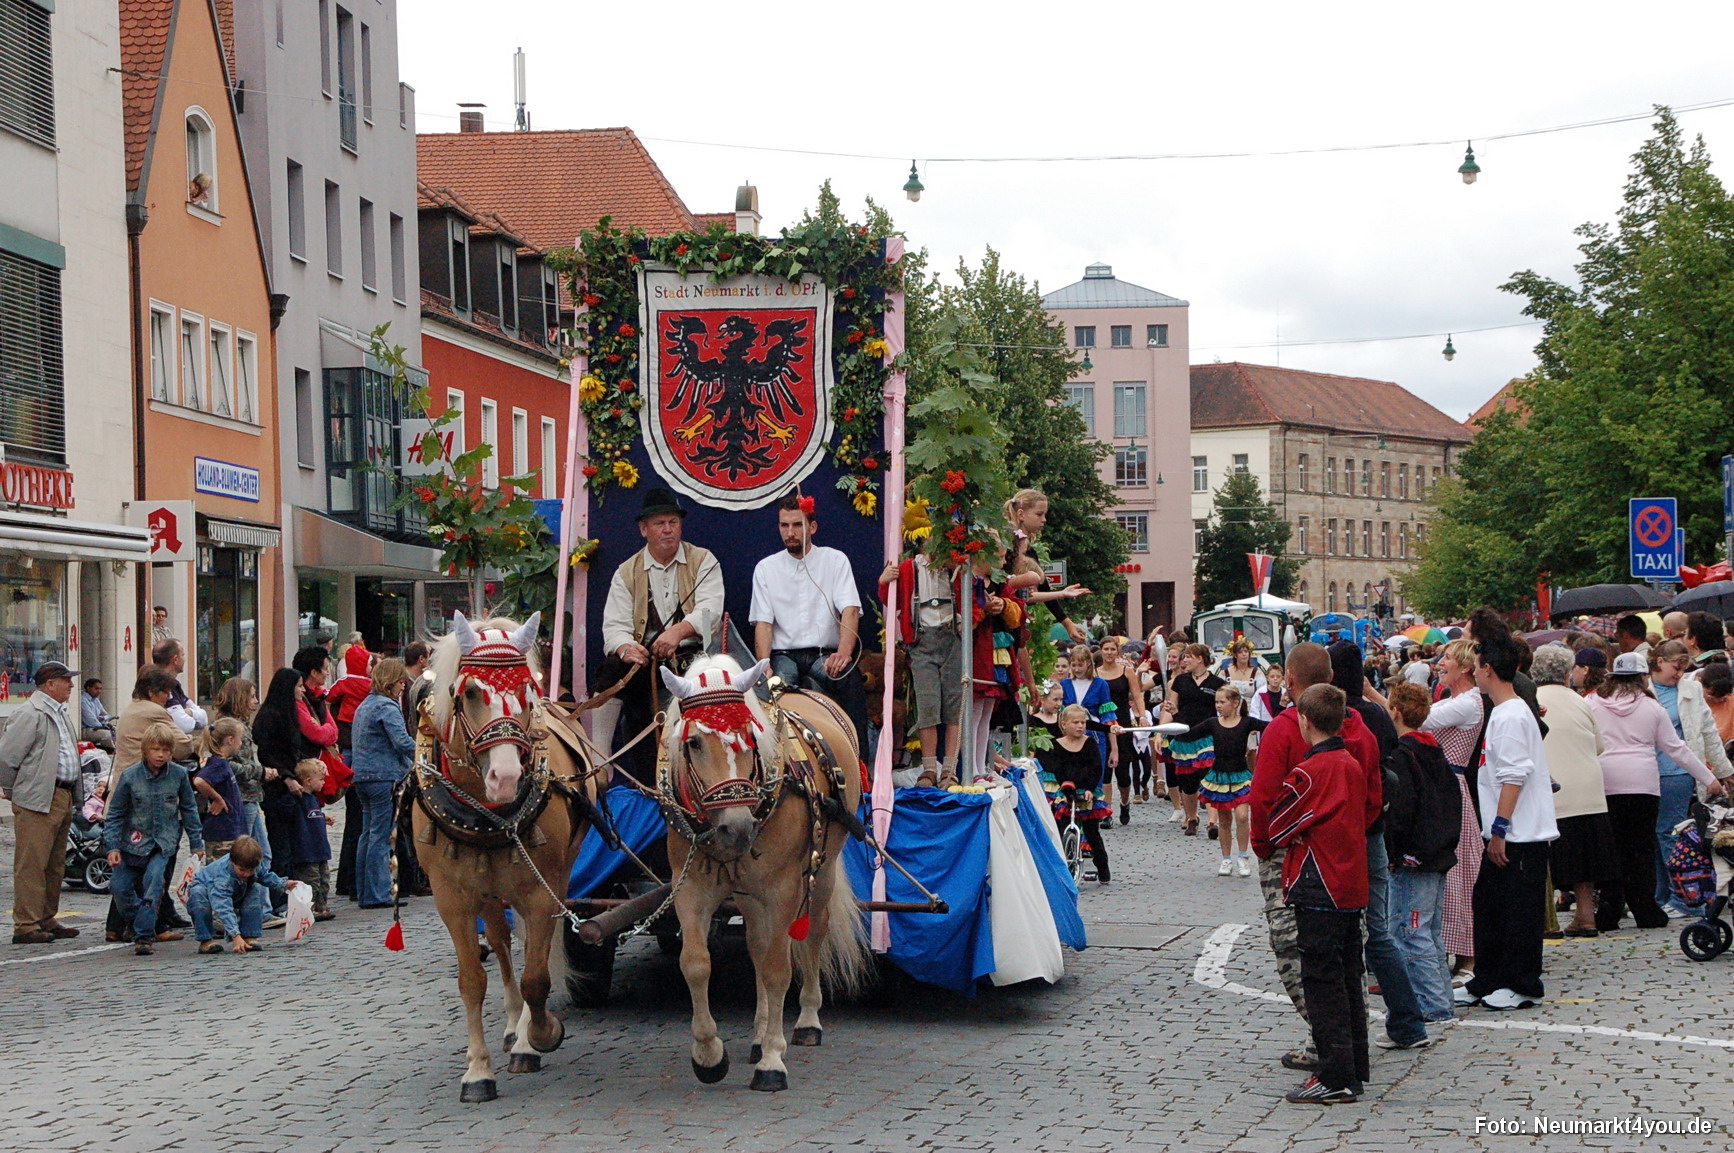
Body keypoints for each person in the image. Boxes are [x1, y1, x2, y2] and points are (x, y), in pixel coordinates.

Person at [1250, 642, 1384, 1071]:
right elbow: (1373, 797)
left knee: (1300, 954)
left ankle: (1331, 1047)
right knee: (1347, 957)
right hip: (1350, 855)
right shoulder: (1360, 730)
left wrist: (1265, 846)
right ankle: (1348, 1047)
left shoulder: (1288, 729)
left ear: (1289, 681)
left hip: (1299, 859)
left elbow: (1266, 799)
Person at [1269, 683, 1369, 1105]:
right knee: (1348, 977)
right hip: (1350, 883)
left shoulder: (1309, 773)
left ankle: (1335, 1074)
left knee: (1322, 982)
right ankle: (1354, 1064)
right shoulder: (1350, 762)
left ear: (1304, 721)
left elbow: (1278, 826)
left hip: (1318, 883)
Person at [1457, 610, 1559, 1011]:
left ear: (1487, 669)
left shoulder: (1513, 714)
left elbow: (1514, 776)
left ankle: (1522, 982)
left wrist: (1499, 828)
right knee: (1491, 904)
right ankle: (1490, 977)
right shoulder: (1501, 712)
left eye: (1477, 666)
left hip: (1520, 832)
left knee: (1519, 910)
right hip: (1504, 830)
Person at [1328, 639, 1425, 1054]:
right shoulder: (1379, 716)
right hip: (1377, 831)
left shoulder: (1339, 715)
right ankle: (1407, 1021)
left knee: (1351, 934)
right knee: (1379, 932)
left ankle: (1356, 1030)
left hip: (1351, 834)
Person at [1585, 652, 1725, 930]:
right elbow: (1676, 748)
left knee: (1612, 849)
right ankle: (1645, 909)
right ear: (1643, 677)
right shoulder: (1653, 708)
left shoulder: (1592, 703)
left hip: (1605, 781)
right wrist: (1709, 778)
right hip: (1643, 783)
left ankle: (1609, 911)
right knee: (1641, 849)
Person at [596, 486, 724, 783]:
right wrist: (628, 647)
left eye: (673, 522)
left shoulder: (704, 560)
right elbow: (613, 627)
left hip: (695, 654)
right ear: (644, 529)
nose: (668, 530)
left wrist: (678, 632)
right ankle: (600, 759)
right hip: (647, 659)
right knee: (612, 670)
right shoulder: (626, 572)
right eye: (659, 524)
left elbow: (710, 612)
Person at [750, 495, 867, 750]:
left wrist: (844, 654)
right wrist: (764, 664)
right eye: (784, 526)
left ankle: (859, 767)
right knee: (771, 687)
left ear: (812, 527)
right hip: (784, 656)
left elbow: (850, 609)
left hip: (824, 655)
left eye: (797, 525)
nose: (790, 533)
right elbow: (763, 623)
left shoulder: (835, 560)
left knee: (849, 679)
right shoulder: (766, 568)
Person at [1383, 682, 1462, 1029]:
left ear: (1396, 712)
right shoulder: (1436, 752)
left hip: (1414, 858)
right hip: (1438, 853)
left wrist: (1394, 850)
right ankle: (1440, 998)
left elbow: (1400, 811)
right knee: (1429, 931)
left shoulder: (1403, 756)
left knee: (1409, 931)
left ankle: (1432, 1004)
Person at [1528, 644, 1614, 937]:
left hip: (1552, 791)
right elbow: (1599, 746)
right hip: (1588, 791)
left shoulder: (1532, 700)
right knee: (1586, 861)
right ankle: (1586, 917)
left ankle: (1547, 921)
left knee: (1545, 861)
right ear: (1567, 673)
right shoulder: (1580, 701)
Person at [0, 661, 84, 944]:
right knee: (32, 863)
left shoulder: (59, 712)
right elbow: (7, 758)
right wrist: (13, 791)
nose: (71, 685)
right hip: (38, 795)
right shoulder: (30, 713)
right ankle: (26, 924)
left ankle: (47, 917)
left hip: (61, 793)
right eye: (66, 680)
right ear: (50, 685)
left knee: (54, 862)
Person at [1648, 640, 1734, 918]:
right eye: (1676, 667)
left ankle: (1683, 897)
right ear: (1659, 661)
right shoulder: (1642, 688)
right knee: (1658, 835)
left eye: (1684, 667)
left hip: (1679, 772)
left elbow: (1707, 731)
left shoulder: (1692, 689)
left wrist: (1722, 770)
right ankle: (1663, 894)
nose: (1679, 673)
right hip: (1647, 771)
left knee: (1670, 832)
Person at [104, 722, 206, 955]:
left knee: (154, 885)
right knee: (119, 888)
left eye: (166, 750)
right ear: (145, 750)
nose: (160, 755)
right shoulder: (130, 777)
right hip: (131, 842)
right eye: (155, 750)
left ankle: (144, 937)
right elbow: (116, 814)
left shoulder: (179, 775)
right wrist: (112, 847)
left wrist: (196, 842)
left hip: (163, 843)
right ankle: (139, 921)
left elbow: (189, 809)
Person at [1421, 638, 1484, 983]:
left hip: (1452, 788)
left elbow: (1420, 720)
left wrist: (1373, 694)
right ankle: (1455, 953)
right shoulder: (1457, 700)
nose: (1440, 663)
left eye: (1446, 658)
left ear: (1463, 666)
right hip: (1443, 787)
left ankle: (1469, 960)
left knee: (1459, 873)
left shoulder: (1467, 703)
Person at [881, 550, 965, 787]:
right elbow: (892, 599)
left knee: (953, 704)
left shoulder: (956, 566)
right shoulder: (910, 568)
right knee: (927, 706)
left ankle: (949, 769)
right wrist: (884, 580)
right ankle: (929, 768)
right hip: (922, 641)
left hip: (951, 639)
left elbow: (971, 597)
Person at [351, 658, 415, 909]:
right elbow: (401, 742)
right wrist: (424, 753)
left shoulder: (366, 705)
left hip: (363, 776)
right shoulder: (387, 707)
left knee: (367, 835)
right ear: (392, 681)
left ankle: (365, 891)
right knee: (380, 836)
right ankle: (378, 894)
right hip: (383, 776)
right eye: (401, 681)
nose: (403, 686)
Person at [1186, 685, 1265, 876]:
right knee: (1224, 819)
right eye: (1216, 702)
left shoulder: (1247, 722)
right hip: (1219, 776)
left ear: (1236, 703)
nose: (1218, 706)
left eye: (1222, 702)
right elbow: (1189, 733)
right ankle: (1226, 859)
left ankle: (1244, 856)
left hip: (1241, 776)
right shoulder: (1212, 723)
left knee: (1242, 816)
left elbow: (1273, 727)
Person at [1002, 488, 1090, 645]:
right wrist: (1062, 594)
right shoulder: (1005, 548)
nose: (1044, 520)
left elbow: (1042, 590)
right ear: (1021, 514)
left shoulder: (1030, 552)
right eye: (1039, 514)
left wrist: (1066, 622)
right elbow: (1020, 592)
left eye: (1044, 514)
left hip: (1013, 621)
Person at [187, 835, 298, 955]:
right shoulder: (223, 877)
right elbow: (223, 907)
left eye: (251, 870)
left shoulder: (253, 864)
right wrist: (235, 935)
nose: (246, 874)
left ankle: (250, 934)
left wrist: (283, 884)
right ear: (232, 861)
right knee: (199, 898)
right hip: (207, 891)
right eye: (242, 870)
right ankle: (206, 940)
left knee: (255, 888)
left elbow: (265, 876)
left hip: (238, 889)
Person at [1040, 705, 1112, 883]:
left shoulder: (1089, 744)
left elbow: (1096, 768)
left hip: (1086, 789)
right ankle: (1063, 865)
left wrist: (1089, 789)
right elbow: (1058, 768)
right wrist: (1065, 786)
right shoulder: (1057, 745)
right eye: (1075, 722)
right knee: (1062, 826)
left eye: (1083, 722)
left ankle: (1103, 868)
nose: (1080, 726)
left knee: (1092, 832)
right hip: (1066, 788)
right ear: (1064, 724)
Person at [1159, 644, 1224, 836]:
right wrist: (1161, 732)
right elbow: (1170, 708)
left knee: (1209, 777)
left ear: (1200, 659)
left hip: (1208, 736)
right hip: (1184, 735)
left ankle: (1213, 822)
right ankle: (1192, 817)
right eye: (1184, 657)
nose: (1184, 660)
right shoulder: (1180, 681)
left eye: (1189, 657)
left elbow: (1224, 709)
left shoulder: (1217, 683)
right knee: (1187, 782)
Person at [325, 641, 371, 903]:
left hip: (346, 746)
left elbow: (328, 695)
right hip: (358, 747)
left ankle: (346, 878)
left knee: (353, 822)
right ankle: (354, 879)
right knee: (361, 822)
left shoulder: (344, 683)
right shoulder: (368, 686)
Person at [213, 678, 269, 874]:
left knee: (263, 854)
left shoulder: (241, 725)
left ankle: (261, 902)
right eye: (251, 696)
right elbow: (227, 764)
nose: (255, 701)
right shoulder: (230, 727)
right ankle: (254, 901)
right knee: (251, 854)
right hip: (242, 796)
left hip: (250, 796)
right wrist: (260, 772)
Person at [111, 667, 196, 788]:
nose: (169, 697)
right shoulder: (154, 711)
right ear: (151, 692)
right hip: (142, 789)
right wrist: (189, 737)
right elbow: (184, 748)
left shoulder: (131, 708)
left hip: (123, 785)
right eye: (166, 692)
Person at [1096, 636, 1149, 823]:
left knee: (1123, 773)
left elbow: (1137, 696)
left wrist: (1142, 717)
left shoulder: (1127, 672)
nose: (1109, 653)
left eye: (1112, 649)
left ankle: (1124, 803)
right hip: (1102, 725)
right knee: (1104, 771)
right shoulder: (1095, 673)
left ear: (1117, 651)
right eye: (1106, 649)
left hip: (1123, 724)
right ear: (1101, 651)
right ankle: (1106, 811)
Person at [192, 718, 247, 858]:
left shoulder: (221, 763)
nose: (241, 743)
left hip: (228, 829)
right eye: (239, 739)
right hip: (223, 833)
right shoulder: (218, 764)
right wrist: (217, 798)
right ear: (230, 740)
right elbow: (199, 781)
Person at [291, 758, 335, 921]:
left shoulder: (314, 799)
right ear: (309, 781)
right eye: (321, 779)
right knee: (311, 881)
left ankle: (321, 906)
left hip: (320, 848)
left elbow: (314, 815)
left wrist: (323, 818)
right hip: (307, 849)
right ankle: (310, 908)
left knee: (324, 879)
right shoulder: (299, 799)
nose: (324, 783)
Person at [152, 638, 208, 736]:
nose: (185, 659)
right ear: (175, 660)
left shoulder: (175, 685)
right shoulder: (160, 685)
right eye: (183, 655)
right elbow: (183, 725)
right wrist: (189, 714)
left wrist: (189, 712)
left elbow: (204, 718)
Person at [80, 677, 115, 752]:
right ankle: (114, 751)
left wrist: (102, 718)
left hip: (97, 727)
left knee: (117, 730)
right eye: (96, 688)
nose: (99, 691)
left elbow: (107, 716)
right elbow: (90, 720)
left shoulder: (96, 700)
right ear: (88, 688)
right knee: (107, 734)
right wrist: (101, 722)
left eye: (100, 689)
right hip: (86, 729)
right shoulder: (83, 700)